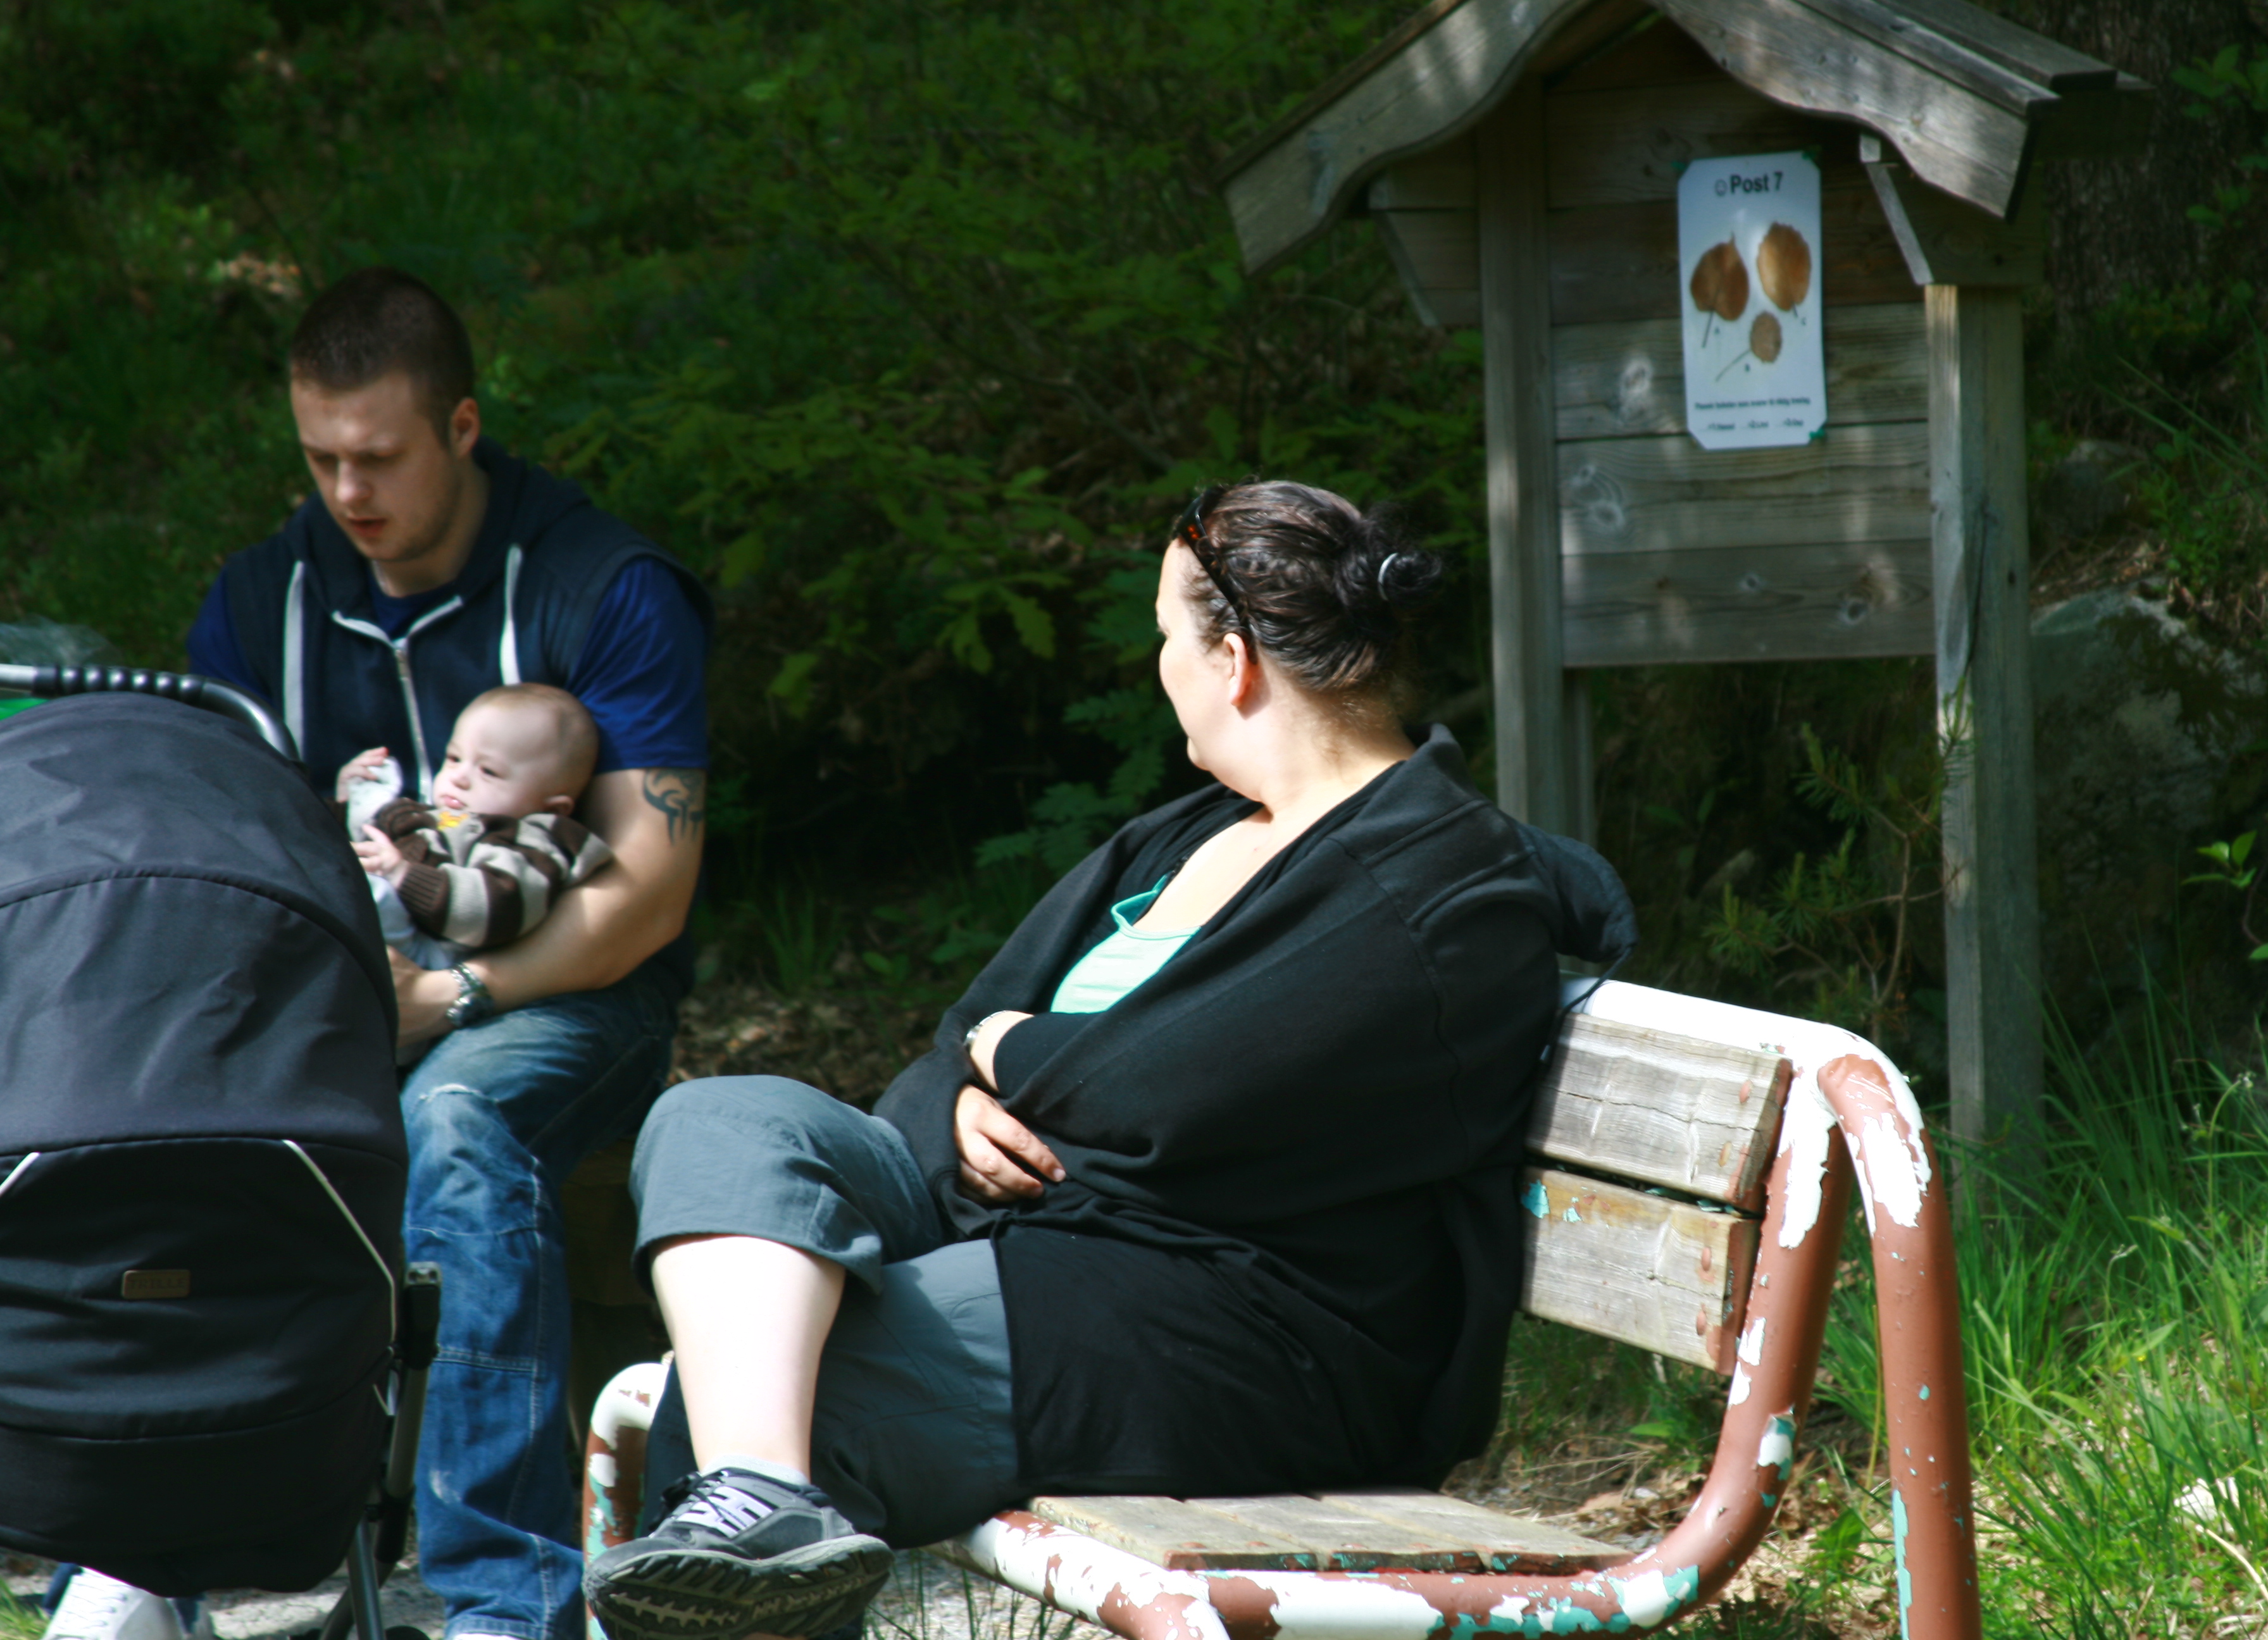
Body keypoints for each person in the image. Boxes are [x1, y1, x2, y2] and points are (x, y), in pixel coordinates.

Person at [581, 481, 1636, 1640]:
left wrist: (1004, 1052)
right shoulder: (1191, 832)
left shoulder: (1438, 886)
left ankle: (756, 1494)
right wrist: (955, 1105)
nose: (1159, 667)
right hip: (1052, 1243)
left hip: (1233, 1325)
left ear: (1232, 659)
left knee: (770, 1399)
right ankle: (763, 1496)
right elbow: (956, 1040)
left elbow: (1165, 1091)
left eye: (1165, 636)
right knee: (721, 1119)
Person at [130, 266, 710, 1640]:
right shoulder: (258, 605)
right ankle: (156, 1561)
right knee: (151, 1108)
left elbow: (648, 893)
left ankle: (501, 1599)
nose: (348, 491)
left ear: (461, 426)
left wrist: (450, 995)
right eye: (321, 458)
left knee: (454, 1114)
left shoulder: (604, 586)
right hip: (328, 998)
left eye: (380, 456)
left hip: (566, 995)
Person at [338, 683, 614, 970]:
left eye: (489, 771)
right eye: (454, 758)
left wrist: (402, 875)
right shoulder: (431, 816)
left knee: (365, 892)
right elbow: (366, 838)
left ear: (551, 809)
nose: (459, 777)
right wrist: (349, 802)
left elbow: (496, 908)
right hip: (401, 931)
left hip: (444, 956)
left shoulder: (528, 845)